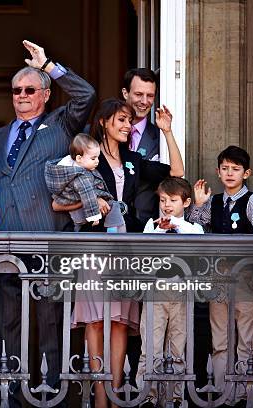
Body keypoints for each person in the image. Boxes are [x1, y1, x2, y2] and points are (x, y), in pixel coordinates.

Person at [0, 40, 96, 406]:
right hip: (5, 241)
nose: (21, 96)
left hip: (48, 239)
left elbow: (86, 94)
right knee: (8, 323)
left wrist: (48, 65)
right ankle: (10, 393)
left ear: (45, 94)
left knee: (50, 321)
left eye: (30, 89)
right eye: (16, 90)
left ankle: (51, 392)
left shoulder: (60, 123)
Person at [64, 98, 183, 408]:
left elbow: (178, 173)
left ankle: (115, 398)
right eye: (121, 119)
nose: (128, 125)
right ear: (104, 121)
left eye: (130, 121)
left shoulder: (133, 157)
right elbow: (59, 200)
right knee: (95, 321)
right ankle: (100, 399)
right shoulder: (86, 157)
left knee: (119, 322)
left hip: (126, 244)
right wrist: (91, 205)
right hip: (93, 243)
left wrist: (167, 132)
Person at [189, 145, 253, 406]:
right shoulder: (213, 202)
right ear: (217, 171)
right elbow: (194, 231)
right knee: (221, 340)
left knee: (248, 339)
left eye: (235, 169)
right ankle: (225, 395)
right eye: (224, 168)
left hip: (246, 280)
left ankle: (246, 397)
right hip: (218, 281)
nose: (229, 173)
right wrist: (199, 205)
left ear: (246, 173)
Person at [137, 177, 203, 408]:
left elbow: (197, 239)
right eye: (163, 200)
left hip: (182, 294)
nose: (166, 205)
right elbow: (144, 253)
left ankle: (175, 398)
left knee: (177, 348)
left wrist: (175, 225)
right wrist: (159, 229)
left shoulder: (193, 227)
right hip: (156, 292)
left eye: (173, 200)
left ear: (185, 203)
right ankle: (147, 396)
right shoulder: (150, 226)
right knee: (150, 348)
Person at [44, 133, 125, 231]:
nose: (97, 161)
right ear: (79, 158)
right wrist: (94, 216)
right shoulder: (81, 177)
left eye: (97, 157)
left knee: (78, 227)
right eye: (93, 158)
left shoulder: (68, 167)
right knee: (114, 206)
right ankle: (114, 232)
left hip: (73, 209)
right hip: (83, 211)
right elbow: (87, 194)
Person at [121, 68, 169, 224]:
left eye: (150, 96)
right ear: (125, 93)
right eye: (138, 94)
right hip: (110, 225)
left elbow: (175, 174)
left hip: (145, 225)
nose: (144, 101)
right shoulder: (106, 133)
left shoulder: (159, 138)